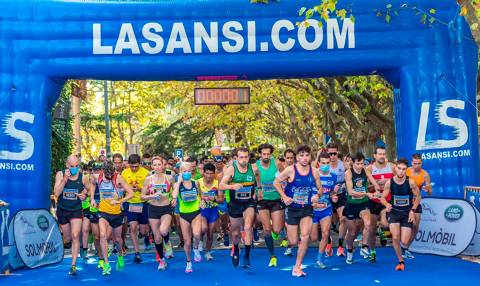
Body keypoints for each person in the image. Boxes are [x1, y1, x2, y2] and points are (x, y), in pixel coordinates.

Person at [274, 144, 322, 277]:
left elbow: (320, 189)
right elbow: (276, 182)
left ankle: (297, 267)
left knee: (305, 237)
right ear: (297, 157)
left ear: (310, 157)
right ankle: (294, 242)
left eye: (307, 155)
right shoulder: (290, 170)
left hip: (307, 208)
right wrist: (284, 196)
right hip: (292, 209)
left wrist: (316, 196)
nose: (305, 158)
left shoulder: (315, 172)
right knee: (293, 241)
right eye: (302, 155)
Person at [90, 161, 134, 275]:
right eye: (107, 175)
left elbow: (131, 193)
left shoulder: (118, 178)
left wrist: (119, 201)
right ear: (102, 171)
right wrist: (92, 199)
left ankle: (120, 255)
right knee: (103, 235)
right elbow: (92, 184)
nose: (109, 177)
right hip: (103, 212)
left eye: (111, 174)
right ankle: (106, 263)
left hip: (117, 213)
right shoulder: (97, 177)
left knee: (118, 240)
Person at [219, 147, 258, 268]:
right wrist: (232, 186)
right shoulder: (231, 169)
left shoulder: (253, 168)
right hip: (235, 203)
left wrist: (259, 189)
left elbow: (258, 178)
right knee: (235, 233)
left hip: (249, 202)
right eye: (241, 157)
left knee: (247, 227)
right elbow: (221, 185)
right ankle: (236, 248)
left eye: (246, 157)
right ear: (236, 158)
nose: (244, 160)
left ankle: (246, 257)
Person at [53, 155, 91, 276]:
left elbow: (90, 189)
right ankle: (68, 242)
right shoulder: (60, 174)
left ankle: (73, 265)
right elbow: (56, 193)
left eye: (76, 166)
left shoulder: (82, 177)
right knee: (68, 237)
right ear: (67, 165)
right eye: (72, 166)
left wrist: (85, 194)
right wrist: (64, 179)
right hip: (63, 210)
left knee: (75, 235)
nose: (74, 168)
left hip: (76, 210)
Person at [381, 158, 421, 271]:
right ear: (395, 168)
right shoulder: (390, 182)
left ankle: (403, 249)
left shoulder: (410, 182)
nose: (401, 171)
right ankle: (400, 260)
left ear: (406, 170)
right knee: (395, 237)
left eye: (404, 169)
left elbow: (418, 196)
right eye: (399, 168)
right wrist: (386, 204)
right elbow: (383, 197)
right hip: (394, 212)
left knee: (404, 241)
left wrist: (413, 210)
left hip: (406, 214)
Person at [343, 152, 381, 264]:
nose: (360, 165)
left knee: (368, 224)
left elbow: (375, 183)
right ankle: (349, 251)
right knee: (352, 232)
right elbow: (351, 192)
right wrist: (367, 194)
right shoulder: (348, 173)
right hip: (351, 204)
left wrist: (378, 190)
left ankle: (364, 247)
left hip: (363, 203)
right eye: (358, 163)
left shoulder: (366, 170)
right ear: (352, 163)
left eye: (362, 163)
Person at [141, 156, 175, 270]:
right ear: (152, 166)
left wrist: (174, 199)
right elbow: (142, 196)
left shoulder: (170, 178)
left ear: (163, 165)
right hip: (153, 208)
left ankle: (168, 242)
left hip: (166, 208)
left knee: (164, 230)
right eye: (154, 165)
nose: (157, 167)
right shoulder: (148, 179)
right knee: (157, 238)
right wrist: (152, 196)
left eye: (159, 164)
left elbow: (175, 191)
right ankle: (162, 260)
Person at [255, 143, 284, 267]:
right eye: (263, 154)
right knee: (267, 229)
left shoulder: (277, 163)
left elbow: (285, 176)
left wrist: (283, 190)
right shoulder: (254, 166)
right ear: (260, 154)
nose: (266, 156)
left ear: (271, 154)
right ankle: (272, 256)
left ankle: (275, 233)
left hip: (276, 199)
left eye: (268, 154)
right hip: (262, 200)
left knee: (276, 229)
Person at [365, 146, 395, 262]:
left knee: (385, 223)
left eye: (383, 154)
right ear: (375, 156)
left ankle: (381, 229)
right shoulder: (369, 169)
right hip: (373, 201)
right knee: (371, 229)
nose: (382, 156)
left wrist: (387, 183)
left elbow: (398, 181)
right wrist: (375, 184)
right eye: (379, 154)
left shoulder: (392, 167)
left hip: (386, 200)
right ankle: (372, 252)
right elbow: (365, 186)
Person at [172, 161, 203, 273]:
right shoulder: (177, 185)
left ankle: (196, 248)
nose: (187, 173)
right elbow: (174, 195)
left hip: (196, 212)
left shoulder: (196, 183)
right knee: (187, 241)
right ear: (180, 172)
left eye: (189, 171)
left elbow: (200, 195)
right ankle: (189, 262)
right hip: (183, 215)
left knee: (196, 234)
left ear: (192, 172)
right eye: (184, 171)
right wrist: (179, 181)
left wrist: (201, 202)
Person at [121, 154, 150, 263]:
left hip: (143, 203)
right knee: (133, 227)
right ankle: (137, 253)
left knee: (143, 230)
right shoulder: (124, 173)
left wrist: (139, 188)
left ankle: (146, 235)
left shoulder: (146, 173)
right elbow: (121, 188)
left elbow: (149, 191)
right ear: (129, 164)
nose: (134, 168)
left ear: (140, 164)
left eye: (136, 166)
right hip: (130, 203)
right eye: (132, 166)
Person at [311, 152, 337, 269]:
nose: (325, 165)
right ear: (319, 163)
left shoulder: (333, 176)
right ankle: (326, 239)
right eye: (323, 163)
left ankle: (319, 259)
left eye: (328, 163)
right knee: (314, 238)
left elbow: (331, 193)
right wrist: (313, 203)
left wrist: (333, 196)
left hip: (326, 209)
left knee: (326, 232)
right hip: (312, 210)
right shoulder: (312, 175)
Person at [404, 153, 432, 259]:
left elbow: (430, 192)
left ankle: (406, 248)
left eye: (419, 163)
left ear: (422, 163)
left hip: (416, 201)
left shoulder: (425, 175)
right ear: (412, 163)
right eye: (415, 163)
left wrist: (428, 188)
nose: (416, 165)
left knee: (415, 227)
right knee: (411, 223)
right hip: (405, 201)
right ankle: (402, 246)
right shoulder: (406, 171)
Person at [198, 162, 224, 260]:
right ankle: (199, 239)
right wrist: (201, 199)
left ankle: (208, 252)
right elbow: (195, 196)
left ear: (214, 173)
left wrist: (213, 199)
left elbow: (222, 200)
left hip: (213, 210)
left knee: (210, 233)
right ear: (203, 173)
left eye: (211, 173)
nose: (209, 176)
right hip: (202, 210)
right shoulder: (198, 182)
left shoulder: (218, 184)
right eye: (207, 173)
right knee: (203, 228)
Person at [326, 143, 347, 257]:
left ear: (337, 153)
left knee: (343, 219)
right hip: (327, 197)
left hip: (341, 195)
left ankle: (340, 246)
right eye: (330, 154)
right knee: (327, 223)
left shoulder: (343, 165)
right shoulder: (324, 165)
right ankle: (328, 243)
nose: (332, 156)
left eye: (334, 153)